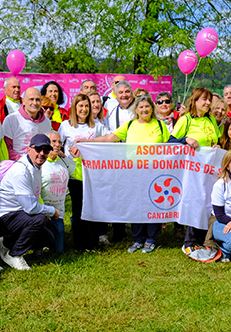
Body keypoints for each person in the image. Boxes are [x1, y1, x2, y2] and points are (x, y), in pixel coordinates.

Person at [79, 94, 176, 254]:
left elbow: (171, 143)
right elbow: (109, 138)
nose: (144, 109)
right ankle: (137, 239)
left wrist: (187, 141)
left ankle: (151, 239)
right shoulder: (130, 125)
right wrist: (86, 142)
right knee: (136, 205)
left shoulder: (159, 125)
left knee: (153, 203)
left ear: (152, 108)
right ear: (136, 109)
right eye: (141, 107)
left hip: (154, 172)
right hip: (133, 173)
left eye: (147, 106)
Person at [0, 134, 61, 270]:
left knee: (48, 238)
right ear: (29, 149)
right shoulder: (21, 171)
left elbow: (33, 198)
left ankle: (5, 243)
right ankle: (14, 254)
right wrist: (51, 210)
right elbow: (30, 207)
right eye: (38, 149)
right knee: (38, 219)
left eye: (45, 150)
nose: (42, 153)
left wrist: (44, 211)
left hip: (15, 214)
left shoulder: (35, 166)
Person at [171, 88, 222, 260]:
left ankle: (203, 239)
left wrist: (217, 146)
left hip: (209, 170)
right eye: (204, 99)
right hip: (192, 171)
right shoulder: (186, 119)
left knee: (208, 202)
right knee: (196, 202)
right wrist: (185, 139)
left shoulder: (211, 120)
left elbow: (216, 140)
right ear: (195, 100)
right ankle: (189, 241)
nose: (208, 103)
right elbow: (170, 140)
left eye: (209, 100)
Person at [59, 93, 108, 250]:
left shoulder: (97, 126)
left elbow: (109, 143)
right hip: (74, 175)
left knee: (92, 207)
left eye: (87, 106)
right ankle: (79, 244)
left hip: (92, 174)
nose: (84, 109)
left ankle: (92, 241)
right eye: (81, 106)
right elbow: (58, 146)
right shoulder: (65, 126)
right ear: (74, 107)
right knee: (78, 208)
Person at [40, 131, 76, 252]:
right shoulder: (40, 162)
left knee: (59, 250)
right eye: (53, 141)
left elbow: (78, 173)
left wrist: (76, 158)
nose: (57, 145)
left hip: (58, 213)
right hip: (42, 213)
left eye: (59, 142)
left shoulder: (64, 161)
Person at [3, 87, 52, 160]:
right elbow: (6, 147)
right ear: (23, 101)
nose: (35, 103)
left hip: (40, 163)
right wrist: (24, 162)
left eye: (37, 100)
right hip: (17, 163)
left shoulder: (47, 122)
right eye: (31, 99)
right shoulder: (11, 119)